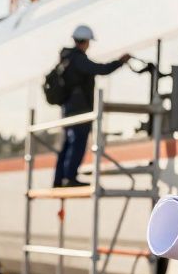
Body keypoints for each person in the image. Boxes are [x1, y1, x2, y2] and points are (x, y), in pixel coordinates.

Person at [52, 25, 129, 187]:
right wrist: (120, 62)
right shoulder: (78, 59)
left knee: (67, 143)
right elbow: (100, 69)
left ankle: (59, 179)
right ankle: (69, 178)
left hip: (69, 108)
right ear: (86, 41)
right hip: (79, 108)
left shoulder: (67, 58)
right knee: (77, 142)